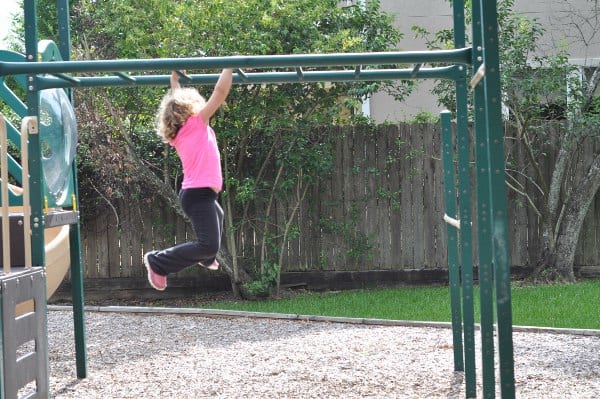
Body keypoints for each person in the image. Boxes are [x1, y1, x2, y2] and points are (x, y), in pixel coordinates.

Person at [143, 68, 233, 291]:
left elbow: (176, 100)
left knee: (218, 218)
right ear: (190, 109)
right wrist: (229, 66)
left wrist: (174, 81)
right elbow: (220, 92)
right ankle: (158, 261)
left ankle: (206, 257)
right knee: (208, 243)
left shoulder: (180, 133)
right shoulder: (197, 124)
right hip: (198, 194)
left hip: (199, 195)